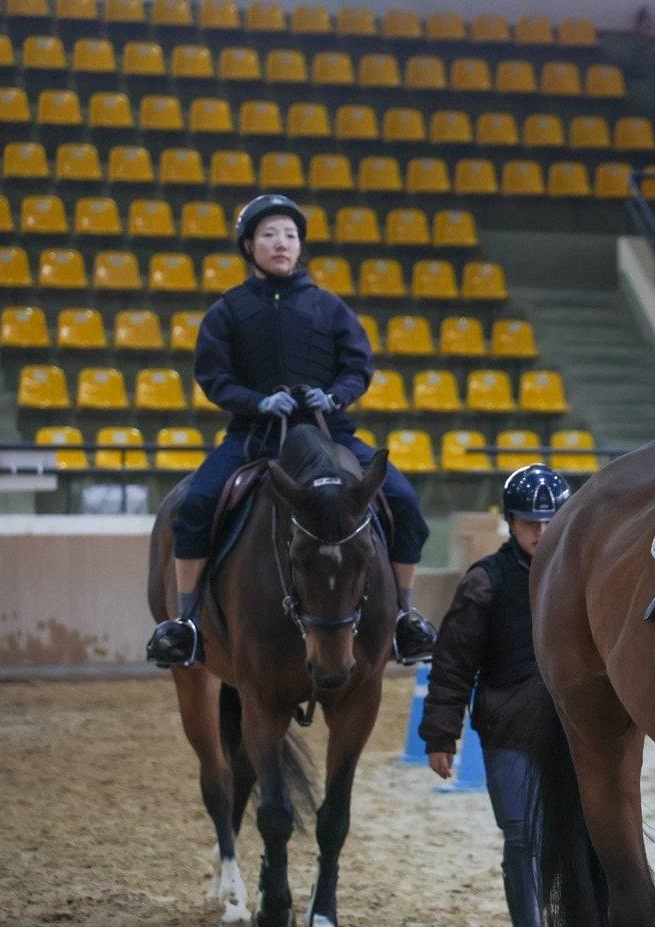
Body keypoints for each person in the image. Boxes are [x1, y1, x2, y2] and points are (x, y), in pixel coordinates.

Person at [146, 194, 437, 667]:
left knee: (403, 500)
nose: (281, 243)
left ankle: (405, 615)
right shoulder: (227, 311)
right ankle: (186, 623)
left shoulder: (329, 306)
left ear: (300, 245)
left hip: (331, 433)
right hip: (253, 437)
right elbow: (213, 377)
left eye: (290, 234)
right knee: (196, 504)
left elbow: (358, 366)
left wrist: (336, 395)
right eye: (269, 234)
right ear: (248, 245)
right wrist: (256, 401)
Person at [419, 464, 571, 927]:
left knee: (573, 837)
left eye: (550, 521)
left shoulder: (581, 576)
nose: (541, 532)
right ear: (511, 521)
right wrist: (441, 734)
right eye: (531, 523)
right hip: (510, 728)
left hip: (572, 729)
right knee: (522, 836)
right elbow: (452, 663)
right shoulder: (485, 581)